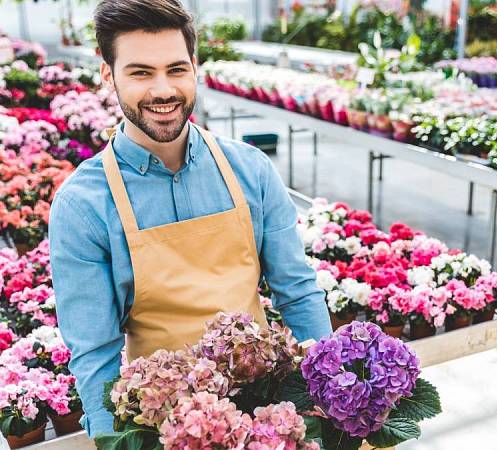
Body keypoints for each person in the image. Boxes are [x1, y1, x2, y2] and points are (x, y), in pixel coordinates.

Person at [48, 0, 331, 437]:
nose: (163, 90)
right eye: (141, 72)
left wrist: (328, 400)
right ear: (108, 74)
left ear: (195, 66)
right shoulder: (83, 205)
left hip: (267, 415)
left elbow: (297, 292)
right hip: (162, 427)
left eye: (176, 69)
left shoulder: (250, 169)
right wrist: (113, 443)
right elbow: (94, 352)